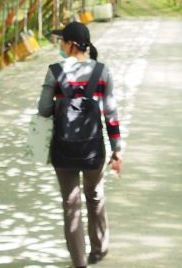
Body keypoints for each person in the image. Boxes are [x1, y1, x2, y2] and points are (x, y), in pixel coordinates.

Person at [38, 21, 123, 268]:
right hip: (93, 149)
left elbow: (43, 110)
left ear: (70, 44)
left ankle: (78, 262)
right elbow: (111, 113)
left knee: (70, 203)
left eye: (62, 41)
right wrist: (117, 149)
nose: (60, 46)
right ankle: (99, 247)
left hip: (63, 149)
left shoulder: (55, 71)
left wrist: (62, 104)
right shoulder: (102, 72)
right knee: (95, 196)